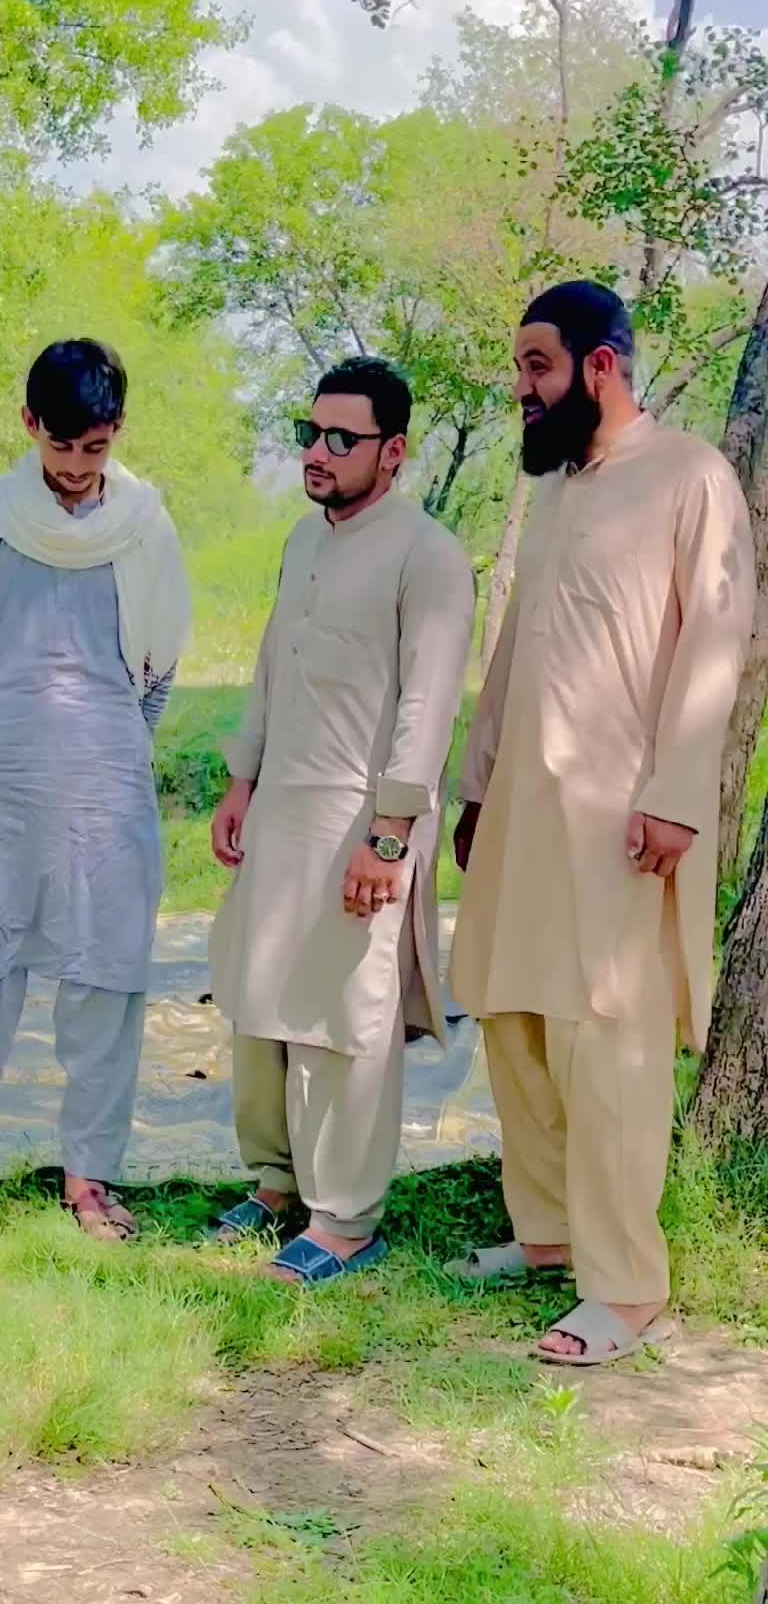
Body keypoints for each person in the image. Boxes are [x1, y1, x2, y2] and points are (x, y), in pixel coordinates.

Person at [449, 280, 755, 1366]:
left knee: (607, 1037)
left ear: (601, 366)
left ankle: (624, 1290)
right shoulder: (559, 491)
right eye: (519, 368)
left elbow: (718, 639)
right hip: (524, 810)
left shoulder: (689, 475)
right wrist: (477, 788)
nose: (521, 388)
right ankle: (548, 1239)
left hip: (623, 815)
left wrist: (675, 796)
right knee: (510, 1013)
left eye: (536, 366)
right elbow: (514, 653)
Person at [208, 356, 475, 1283]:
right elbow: (270, 667)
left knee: (343, 1016)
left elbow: (427, 708)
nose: (316, 453)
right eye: (309, 433)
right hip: (280, 805)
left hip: (362, 819)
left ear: (392, 451)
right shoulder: (302, 540)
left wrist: (390, 836)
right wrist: (241, 780)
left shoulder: (426, 554)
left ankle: (347, 1220)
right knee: (259, 1000)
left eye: (340, 438)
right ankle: (275, 1184)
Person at [0, 339, 190, 1241]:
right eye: (61, 445)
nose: (76, 468)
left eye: (95, 448)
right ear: (29, 424)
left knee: (106, 977)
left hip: (107, 781)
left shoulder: (146, 525)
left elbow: (159, 663)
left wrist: (112, 746)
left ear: (118, 432)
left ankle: (90, 1176)